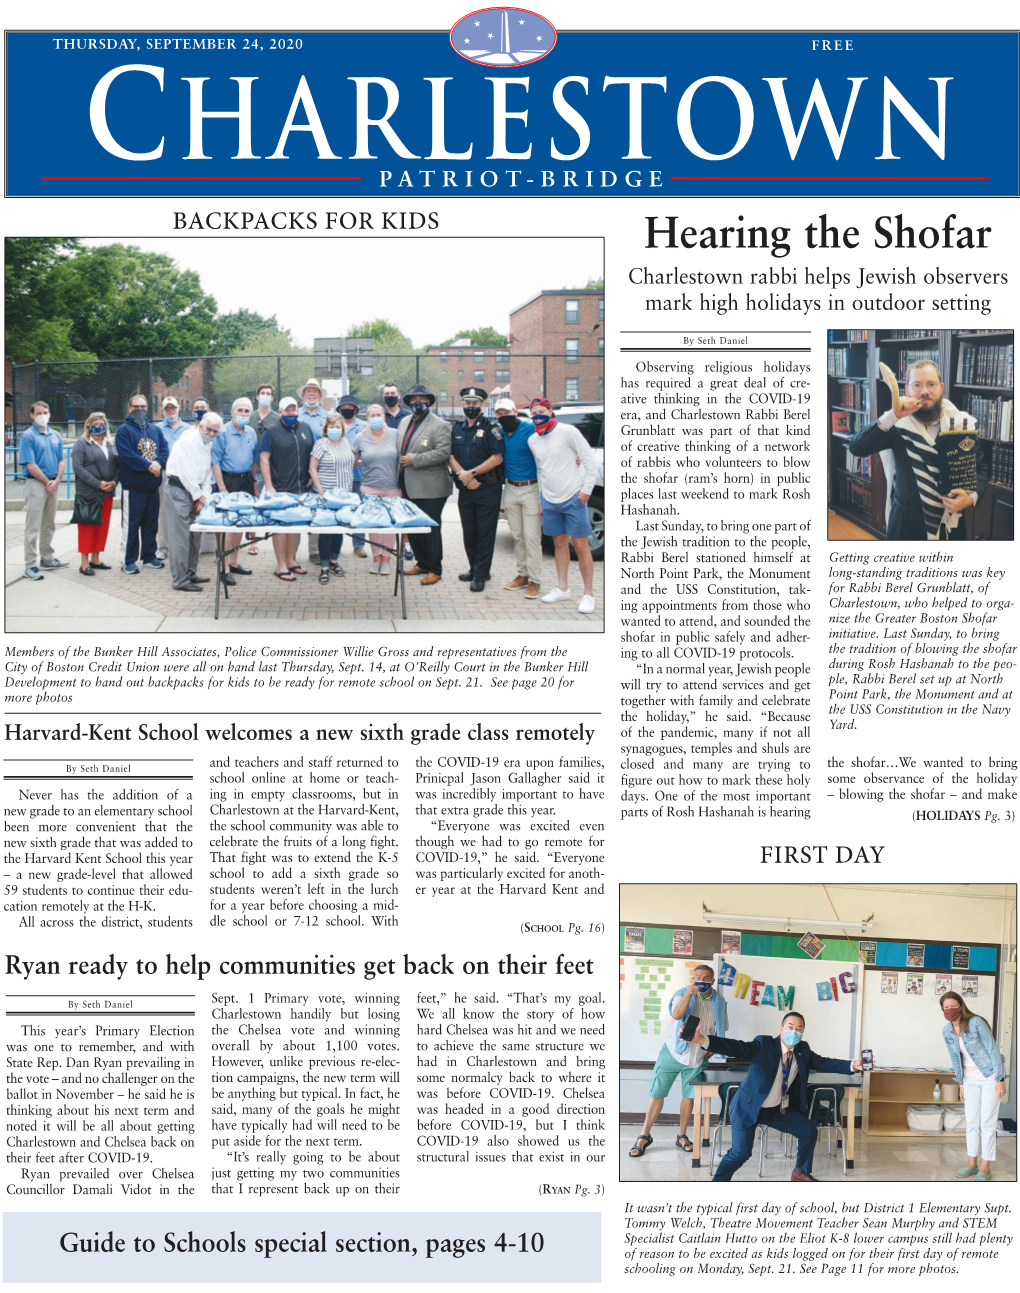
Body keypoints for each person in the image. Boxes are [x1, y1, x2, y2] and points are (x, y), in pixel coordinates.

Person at [694, 1012, 863, 1182]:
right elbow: (736, 1047)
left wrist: (853, 1065)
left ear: (802, 1033)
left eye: (799, 1029)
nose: (794, 1032)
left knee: (808, 1131)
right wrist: (703, 1039)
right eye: (790, 1027)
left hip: (776, 1109)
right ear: (782, 1029)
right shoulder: (764, 1044)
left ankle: (800, 1173)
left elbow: (824, 1063)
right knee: (741, 1153)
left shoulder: (802, 1050)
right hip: (748, 1107)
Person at [848, 359, 987, 540]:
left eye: (931, 384)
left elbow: (981, 469)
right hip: (905, 523)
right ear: (907, 390)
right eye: (917, 385)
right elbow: (856, 447)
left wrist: (970, 497)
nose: (925, 392)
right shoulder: (896, 424)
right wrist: (894, 414)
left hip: (950, 524)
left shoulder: (961, 425)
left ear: (941, 387)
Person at [629, 965, 728, 1159]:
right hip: (672, 1053)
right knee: (657, 1093)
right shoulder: (681, 994)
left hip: (696, 1058)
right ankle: (644, 1135)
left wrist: (709, 1053)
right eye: (698, 977)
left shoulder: (720, 1001)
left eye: (706, 978)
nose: (702, 980)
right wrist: (689, 994)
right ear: (692, 978)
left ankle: (682, 1136)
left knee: (688, 1097)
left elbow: (720, 1029)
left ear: (712, 981)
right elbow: (676, 1015)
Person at [528, 401, 598, 614]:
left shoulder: (568, 431)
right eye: (534, 413)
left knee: (580, 545)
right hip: (549, 500)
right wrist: (541, 499)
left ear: (550, 412)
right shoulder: (533, 439)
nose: (538, 416)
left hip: (573, 498)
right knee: (559, 543)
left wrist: (586, 491)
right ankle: (562, 588)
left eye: (542, 412)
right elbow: (542, 470)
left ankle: (588, 594)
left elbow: (589, 460)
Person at [940, 991, 1006, 1181]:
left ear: (960, 1006)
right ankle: (972, 1164)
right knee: (971, 1123)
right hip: (969, 1080)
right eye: (946, 1007)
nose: (949, 1010)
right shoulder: (946, 1030)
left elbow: (993, 1049)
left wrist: (1000, 1079)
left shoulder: (976, 1022)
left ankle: (985, 1167)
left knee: (987, 1123)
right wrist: (961, 1082)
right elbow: (955, 1058)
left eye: (953, 1006)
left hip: (990, 1078)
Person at [449, 386, 504, 592]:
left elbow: (496, 458)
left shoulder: (492, 428)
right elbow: (450, 456)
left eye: (474, 403)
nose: (470, 407)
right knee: (469, 532)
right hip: (466, 488)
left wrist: (471, 473)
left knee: (485, 532)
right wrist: (464, 476)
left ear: (481, 404)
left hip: (487, 488)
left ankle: (481, 574)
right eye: (467, 403)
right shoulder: (457, 428)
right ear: (462, 404)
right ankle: (474, 568)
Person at [397, 385, 452, 586]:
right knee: (414, 527)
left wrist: (416, 459)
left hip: (431, 487)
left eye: (422, 399)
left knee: (430, 529)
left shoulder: (440, 424)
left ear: (428, 401)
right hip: (408, 485)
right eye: (413, 399)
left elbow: (443, 452)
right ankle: (422, 563)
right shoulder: (404, 422)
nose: (417, 402)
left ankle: (435, 568)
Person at [260, 395, 315, 582]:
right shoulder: (271, 431)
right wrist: (268, 486)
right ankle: (281, 565)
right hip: (280, 488)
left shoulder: (306, 428)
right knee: (281, 528)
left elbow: (312, 456)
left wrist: (311, 477)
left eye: (294, 410)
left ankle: (291, 560)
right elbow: (264, 459)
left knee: (295, 527)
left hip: (302, 488)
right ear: (281, 411)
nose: (291, 413)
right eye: (287, 410)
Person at [163, 412, 220, 593]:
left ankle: (191, 572)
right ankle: (180, 580)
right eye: (209, 430)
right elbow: (186, 474)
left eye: (215, 432)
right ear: (201, 426)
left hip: (196, 493)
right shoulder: (187, 440)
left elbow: (207, 474)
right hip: (178, 489)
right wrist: (200, 497)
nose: (211, 434)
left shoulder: (207, 444)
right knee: (180, 537)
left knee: (195, 535)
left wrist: (203, 496)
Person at [115, 393, 168, 574]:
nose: (140, 410)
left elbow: (164, 450)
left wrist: (159, 463)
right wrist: (149, 466)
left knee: (151, 523)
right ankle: (128, 560)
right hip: (133, 487)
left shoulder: (155, 430)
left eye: (143, 407)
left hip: (152, 486)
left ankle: (149, 556)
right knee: (131, 524)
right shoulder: (124, 430)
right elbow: (127, 455)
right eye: (136, 407)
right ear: (130, 409)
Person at [495, 397, 541, 599]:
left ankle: (535, 580)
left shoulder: (531, 429)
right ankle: (522, 575)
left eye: (507, 412)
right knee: (517, 536)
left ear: (515, 411)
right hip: (511, 489)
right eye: (499, 413)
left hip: (531, 488)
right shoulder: (500, 433)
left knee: (532, 538)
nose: (503, 416)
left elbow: (552, 443)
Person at [211, 396, 259, 587]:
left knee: (239, 524)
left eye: (247, 411)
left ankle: (234, 562)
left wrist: (255, 483)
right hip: (228, 481)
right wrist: (222, 487)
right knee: (227, 527)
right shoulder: (222, 433)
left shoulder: (251, 433)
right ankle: (224, 568)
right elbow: (215, 462)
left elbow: (253, 461)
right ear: (232, 412)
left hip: (246, 480)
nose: (243, 414)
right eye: (240, 410)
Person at [20, 400, 69, 581]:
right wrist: (48, 481)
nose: (42, 415)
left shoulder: (55, 435)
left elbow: (61, 461)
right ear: (32, 415)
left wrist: (56, 481)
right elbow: (30, 464)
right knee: (32, 526)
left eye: (45, 412)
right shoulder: (28, 436)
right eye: (38, 412)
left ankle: (47, 558)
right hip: (36, 484)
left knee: (49, 523)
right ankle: (30, 564)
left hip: (52, 484)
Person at [352, 404, 401, 575]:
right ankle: (376, 558)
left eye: (378, 414)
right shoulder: (361, 438)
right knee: (374, 525)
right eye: (372, 415)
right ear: (367, 419)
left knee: (388, 526)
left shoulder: (395, 434)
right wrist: (362, 462)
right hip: (369, 488)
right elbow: (351, 459)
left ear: (384, 417)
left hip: (392, 488)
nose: (375, 418)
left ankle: (386, 559)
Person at [309, 414, 356, 584]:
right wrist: (321, 492)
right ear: (326, 428)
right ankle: (323, 567)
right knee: (326, 531)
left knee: (339, 530)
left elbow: (351, 462)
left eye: (338, 426)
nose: (335, 429)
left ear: (342, 428)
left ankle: (334, 561)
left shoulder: (345, 442)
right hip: (327, 495)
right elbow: (312, 469)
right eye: (332, 426)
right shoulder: (321, 444)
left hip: (344, 496)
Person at [70, 413, 118, 576]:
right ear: (89, 426)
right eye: (95, 423)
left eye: (102, 423)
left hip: (107, 493)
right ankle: (84, 564)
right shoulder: (81, 444)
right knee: (87, 527)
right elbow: (78, 468)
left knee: (102, 527)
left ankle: (95, 559)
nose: (99, 426)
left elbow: (118, 466)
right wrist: (98, 483)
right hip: (89, 494)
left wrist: (114, 482)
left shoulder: (110, 444)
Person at [382, 384, 414, 561]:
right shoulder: (379, 416)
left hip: (404, 469)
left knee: (405, 508)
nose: (390, 396)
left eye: (393, 393)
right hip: (385, 471)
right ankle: (385, 549)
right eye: (386, 394)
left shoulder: (408, 417)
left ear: (399, 395)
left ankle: (406, 544)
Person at [154, 396, 187, 560]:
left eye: (173, 408)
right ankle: (163, 547)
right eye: (167, 408)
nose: (171, 411)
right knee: (163, 511)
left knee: (184, 510)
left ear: (178, 408)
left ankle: (183, 546)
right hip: (165, 473)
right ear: (162, 410)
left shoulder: (187, 429)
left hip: (184, 474)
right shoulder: (156, 429)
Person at [336, 393, 368, 557]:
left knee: (358, 509)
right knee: (340, 510)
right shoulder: (335, 425)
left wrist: (358, 461)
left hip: (358, 475)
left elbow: (368, 449)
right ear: (339, 409)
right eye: (344, 407)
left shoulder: (363, 426)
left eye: (350, 407)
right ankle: (337, 546)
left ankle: (359, 544)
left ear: (355, 409)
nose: (347, 409)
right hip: (339, 477)